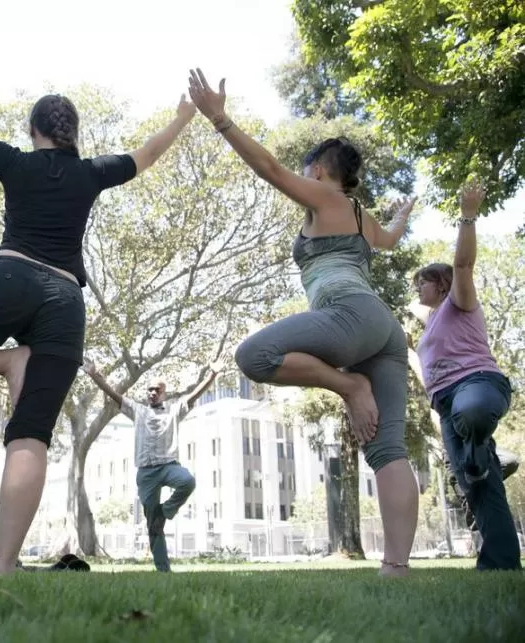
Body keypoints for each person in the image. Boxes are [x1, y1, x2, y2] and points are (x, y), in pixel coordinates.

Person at [0, 54, 196, 575]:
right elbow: (145, 156)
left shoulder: (16, 162)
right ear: (73, 134)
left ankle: (2, 361)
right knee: (30, 434)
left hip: (9, 282)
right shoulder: (92, 172)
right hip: (66, 303)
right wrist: (184, 116)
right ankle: (4, 566)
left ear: (33, 131)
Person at [186, 67, 419, 576]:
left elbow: (268, 167)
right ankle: (396, 569)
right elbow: (391, 239)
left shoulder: (324, 196)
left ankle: (347, 383)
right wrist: (401, 214)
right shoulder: (361, 215)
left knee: (254, 356)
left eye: (305, 167)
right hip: (383, 329)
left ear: (316, 170)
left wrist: (221, 119)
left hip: (347, 314)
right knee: (389, 449)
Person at [413, 182, 521, 571]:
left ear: (440, 282)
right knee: (476, 484)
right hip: (444, 404)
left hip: (477, 384)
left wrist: (468, 214)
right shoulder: (429, 329)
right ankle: (501, 561)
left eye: (422, 281)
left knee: (472, 412)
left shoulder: (459, 302)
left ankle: (482, 447)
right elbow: (422, 367)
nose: (418, 288)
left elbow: (463, 265)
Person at [83, 359, 220, 572]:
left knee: (187, 481)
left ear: (164, 393)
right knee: (153, 526)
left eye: (157, 390)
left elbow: (194, 396)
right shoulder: (138, 410)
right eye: (150, 390)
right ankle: (163, 570)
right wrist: (95, 376)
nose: (153, 393)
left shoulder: (174, 410)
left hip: (168, 466)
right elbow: (113, 395)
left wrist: (211, 375)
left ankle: (165, 511)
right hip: (146, 472)